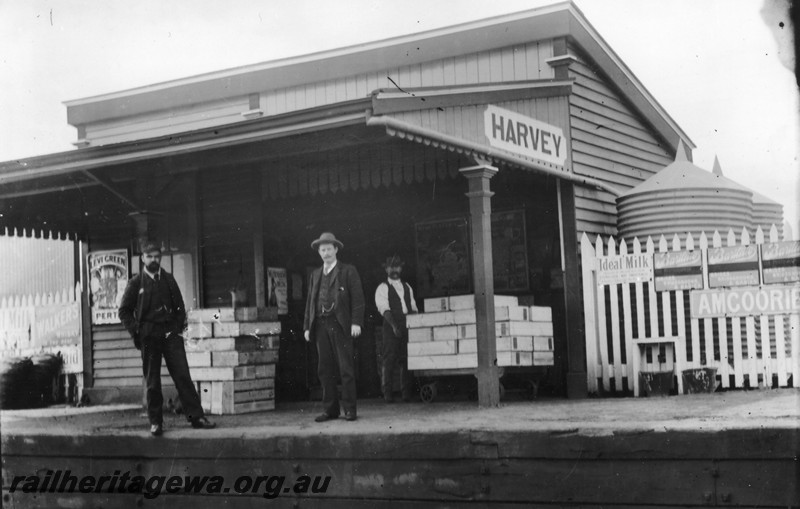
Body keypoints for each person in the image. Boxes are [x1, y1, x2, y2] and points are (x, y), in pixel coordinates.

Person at [118, 240, 215, 436]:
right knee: (152, 381)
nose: (154, 260)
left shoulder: (169, 280)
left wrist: (177, 327)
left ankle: (196, 417)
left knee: (182, 375)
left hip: (171, 335)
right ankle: (156, 422)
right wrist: (137, 330)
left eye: (157, 257)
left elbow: (180, 307)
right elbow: (124, 311)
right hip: (149, 336)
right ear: (143, 258)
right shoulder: (136, 283)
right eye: (150, 256)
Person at [303, 232, 365, 422]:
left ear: (336, 249)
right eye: (323, 250)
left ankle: (350, 409)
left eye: (329, 249)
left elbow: (358, 298)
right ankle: (330, 410)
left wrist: (356, 322)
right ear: (319, 252)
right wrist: (307, 326)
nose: (326, 253)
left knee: (345, 367)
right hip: (321, 324)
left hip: (341, 324)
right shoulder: (315, 274)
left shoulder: (348, 271)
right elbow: (310, 302)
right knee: (324, 368)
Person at [374, 255, 418, 403]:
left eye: (397, 266)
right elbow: (384, 309)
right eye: (391, 267)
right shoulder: (382, 287)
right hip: (390, 325)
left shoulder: (407, 287)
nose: (394, 270)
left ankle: (406, 394)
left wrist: (413, 325)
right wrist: (394, 326)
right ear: (386, 269)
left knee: (406, 360)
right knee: (389, 360)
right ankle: (387, 395)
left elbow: (413, 308)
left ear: (401, 268)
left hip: (407, 324)